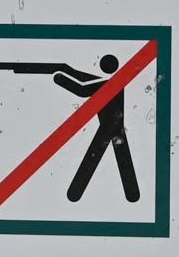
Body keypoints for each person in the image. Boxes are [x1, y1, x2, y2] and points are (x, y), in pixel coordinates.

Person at [48, 55, 138, 202]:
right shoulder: (112, 83)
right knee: (118, 153)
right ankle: (132, 194)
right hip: (113, 126)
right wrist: (62, 71)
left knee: (98, 153)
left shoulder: (108, 85)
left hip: (110, 126)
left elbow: (82, 90)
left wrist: (59, 78)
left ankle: (75, 194)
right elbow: (83, 81)